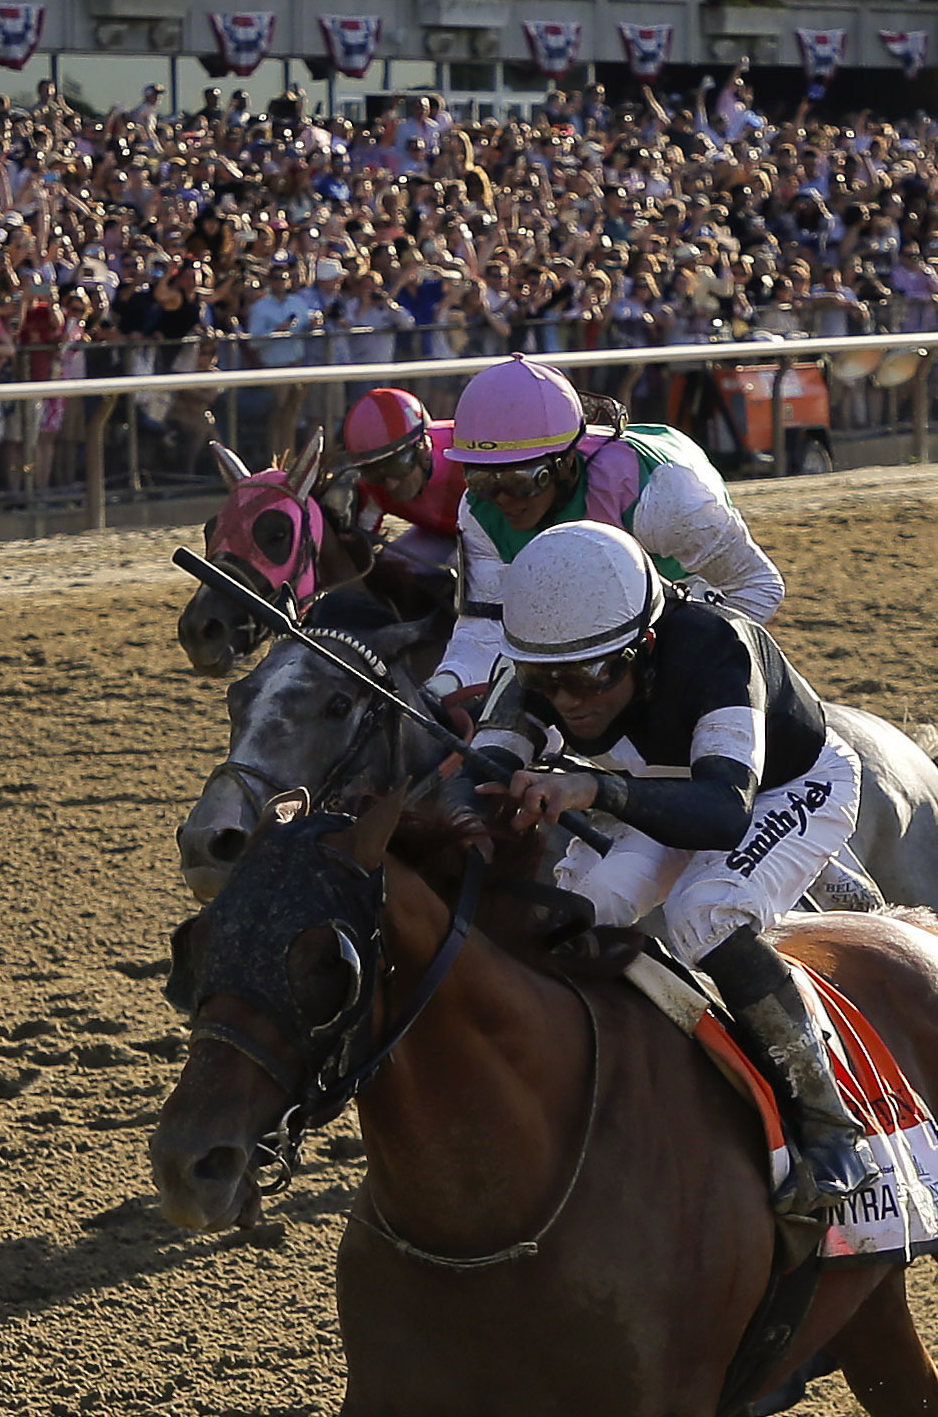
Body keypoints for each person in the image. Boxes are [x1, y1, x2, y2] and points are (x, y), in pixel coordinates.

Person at [468, 520, 874, 1234]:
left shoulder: (717, 646)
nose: (571, 701)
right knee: (574, 914)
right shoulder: (546, 655)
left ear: (644, 645)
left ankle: (829, 1126)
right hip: (658, 787)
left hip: (782, 787)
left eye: (593, 677)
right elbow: (483, 772)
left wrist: (590, 791)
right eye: (547, 683)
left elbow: (720, 812)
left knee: (704, 914)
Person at [427, 354, 784, 707]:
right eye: (483, 479)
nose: (502, 500)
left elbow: (760, 586)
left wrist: (677, 672)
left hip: (682, 579)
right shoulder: (477, 512)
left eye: (521, 481)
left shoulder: (662, 497)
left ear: (565, 463)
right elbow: (484, 629)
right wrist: (440, 689)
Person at [325, 382, 461, 579]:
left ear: (424, 448)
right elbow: (361, 547)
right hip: (441, 536)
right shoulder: (370, 487)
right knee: (391, 564)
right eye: (374, 472)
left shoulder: (466, 456)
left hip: (499, 536)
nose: (390, 484)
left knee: (462, 565)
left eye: (398, 466)